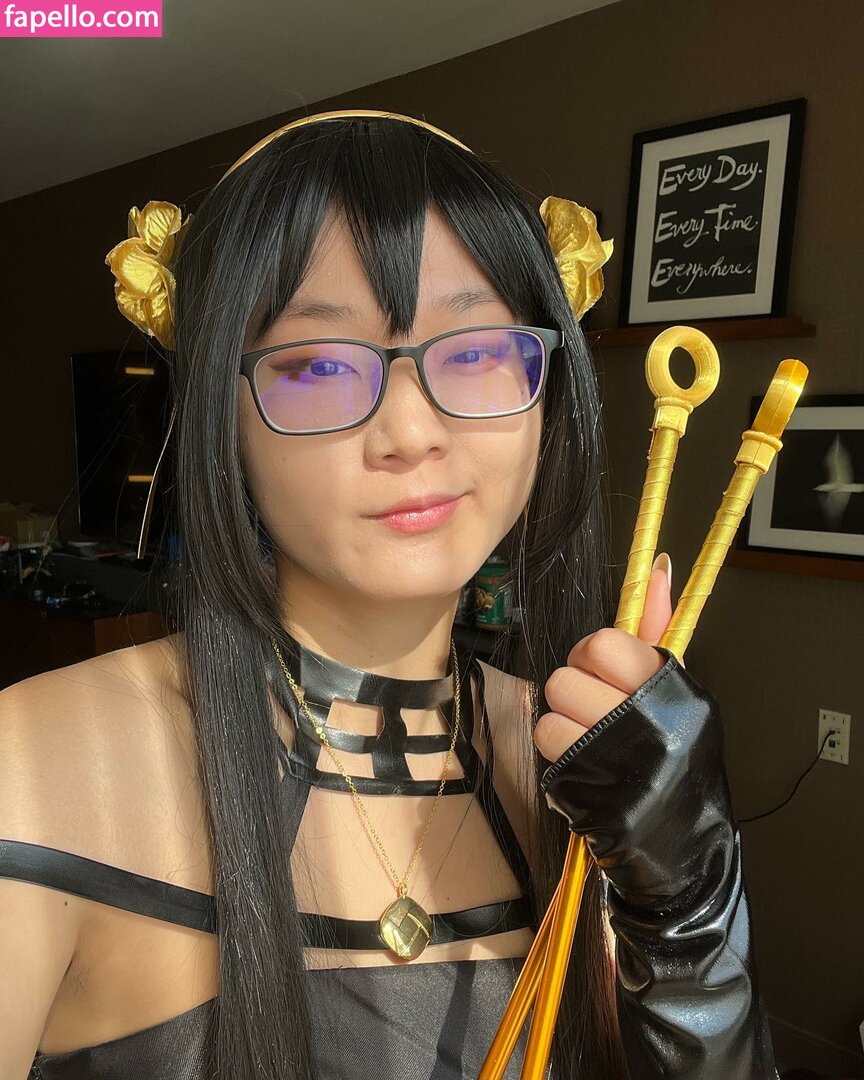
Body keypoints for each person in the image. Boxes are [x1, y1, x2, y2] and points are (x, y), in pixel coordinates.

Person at [0, 110, 778, 1080]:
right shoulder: (31, 766)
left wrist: (690, 900)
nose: (410, 433)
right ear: (219, 414)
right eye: (320, 365)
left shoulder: (587, 766)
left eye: (478, 351)